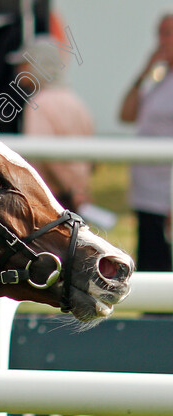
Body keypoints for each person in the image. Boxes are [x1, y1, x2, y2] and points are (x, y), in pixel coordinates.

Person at [7, 36, 94, 213]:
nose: (18, 70)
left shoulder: (40, 104)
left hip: (56, 198)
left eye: (24, 64)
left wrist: (72, 191)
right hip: (79, 195)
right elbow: (92, 155)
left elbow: (45, 154)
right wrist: (80, 189)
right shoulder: (75, 101)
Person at [119, 13, 173, 272]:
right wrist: (143, 72)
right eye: (160, 34)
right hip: (147, 192)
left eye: (169, 34)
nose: (162, 41)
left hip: (167, 194)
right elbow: (126, 115)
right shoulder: (157, 80)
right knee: (150, 261)